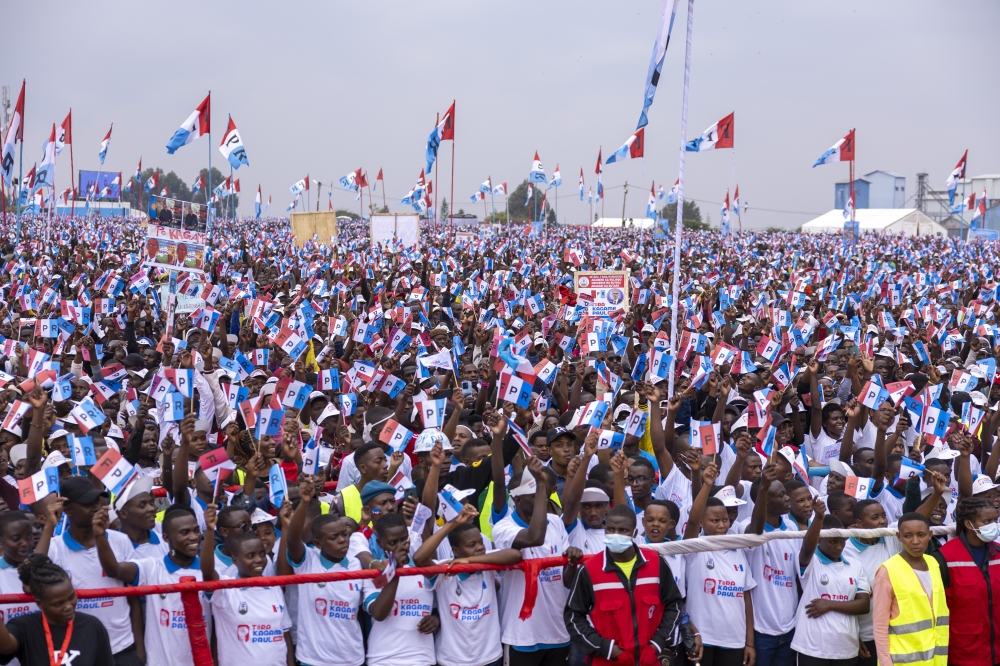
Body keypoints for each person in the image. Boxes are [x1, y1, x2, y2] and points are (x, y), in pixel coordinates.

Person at [565, 504, 699, 666]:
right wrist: (604, 647)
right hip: (606, 661)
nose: (616, 535)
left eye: (623, 531)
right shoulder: (590, 570)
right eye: (611, 530)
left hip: (648, 660)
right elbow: (573, 616)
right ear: (605, 530)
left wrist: (657, 643)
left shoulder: (656, 563)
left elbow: (674, 605)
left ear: (635, 533)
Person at [492, 457, 583, 666]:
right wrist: (542, 483)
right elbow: (535, 537)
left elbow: (567, 582)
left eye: (542, 491)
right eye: (535, 494)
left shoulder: (555, 522)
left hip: (558, 633)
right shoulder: (504, 529)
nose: (542, 497)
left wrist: (573, 562)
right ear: (518, 499)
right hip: (521, 635)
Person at [42, 476, 142, 666]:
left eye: (98, 501)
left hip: (122, 648)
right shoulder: (54, 548)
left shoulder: (120, 541)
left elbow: (133, 597)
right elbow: (33, 576)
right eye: (88, 504)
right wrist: (49, 526)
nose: (97, 507)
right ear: (68, 510)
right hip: (77, 650)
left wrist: (139, 650)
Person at [92, 503, 207, 666]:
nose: (194, 537)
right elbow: (114, 570)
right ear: (166, 538)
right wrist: (100, 536)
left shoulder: (211, 573)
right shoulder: (152, 567)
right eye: (185, 532)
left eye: (196, 530)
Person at [413, 503, 521, 666]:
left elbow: (515, 555)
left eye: (480, 542)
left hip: (490, 657)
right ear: (455, 550)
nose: (479, 548)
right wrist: (453, 523)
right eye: (471, 545)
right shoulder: (445, 568)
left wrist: (470, 560)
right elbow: (419, 558)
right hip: (452, 660)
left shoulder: (487, 562)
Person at [283, 479, 366, 666]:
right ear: (318, 543)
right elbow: (293, 539)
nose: (342, 540)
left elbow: (358, 614)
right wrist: (304, 502)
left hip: (353, 659)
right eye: (334, 537)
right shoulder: (307, 562)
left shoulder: (356, 564)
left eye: (344, 534)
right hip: (313, 660)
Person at [200, 504, 293, 666]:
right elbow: (207, 573)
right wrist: (209, 530)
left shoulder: (274, 587)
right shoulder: (225, 590)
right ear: (235, 561)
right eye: (250, 556)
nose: (258, 560)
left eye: (262, 554)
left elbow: (284, 633)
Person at [683, 462, 756, 666]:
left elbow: (746, 599)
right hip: (702, 639)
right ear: (702, 524)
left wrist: (749, 643)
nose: (722, 524)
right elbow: (691, 521)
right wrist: (706, 485)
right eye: (715, 521)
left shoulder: (738, 550)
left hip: (734, 640)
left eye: (724, 519)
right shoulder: (695, 549)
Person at [790, 499, 871, 666]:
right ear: (819, 540)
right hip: (812, 647)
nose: (839, 546)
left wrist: (829, 605)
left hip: (846, 648)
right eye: (833, 541)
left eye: (842, 541)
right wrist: (819, 518)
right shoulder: (810, 561)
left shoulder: (855, 565)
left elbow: (864, 605)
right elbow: (807, 547)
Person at [0, 553, 114, 666]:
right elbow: (6, 647)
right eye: (58, 604)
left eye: (71, 597)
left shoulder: (93, 626)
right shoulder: (25, 626)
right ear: (40, 604)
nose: (69, 606)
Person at [872, 512, 949, 666]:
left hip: (936, 659)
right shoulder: (888, 571)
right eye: (908, 536)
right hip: (902, 661)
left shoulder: (933, 563)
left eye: (921, 535)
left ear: (930, 535)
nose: (915, 541)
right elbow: (880, 625)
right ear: (899, 537)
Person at [362, 512, 438, 666]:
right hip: (384, 659)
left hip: (423, 658)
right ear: (379, 543)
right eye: (392, 543)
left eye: (404, 540)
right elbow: (379, 613)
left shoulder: (424, 568)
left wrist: (436, 619)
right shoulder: (373, 573)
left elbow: (439, 606)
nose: (400, 547)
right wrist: (395, 570)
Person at [932, 496, 1000, 666]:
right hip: (962, 653)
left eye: (995, 520)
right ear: (969, 524)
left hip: (998, 652)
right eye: (987, 521)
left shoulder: (999, 553)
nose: (994, 525)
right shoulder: (944, 558)